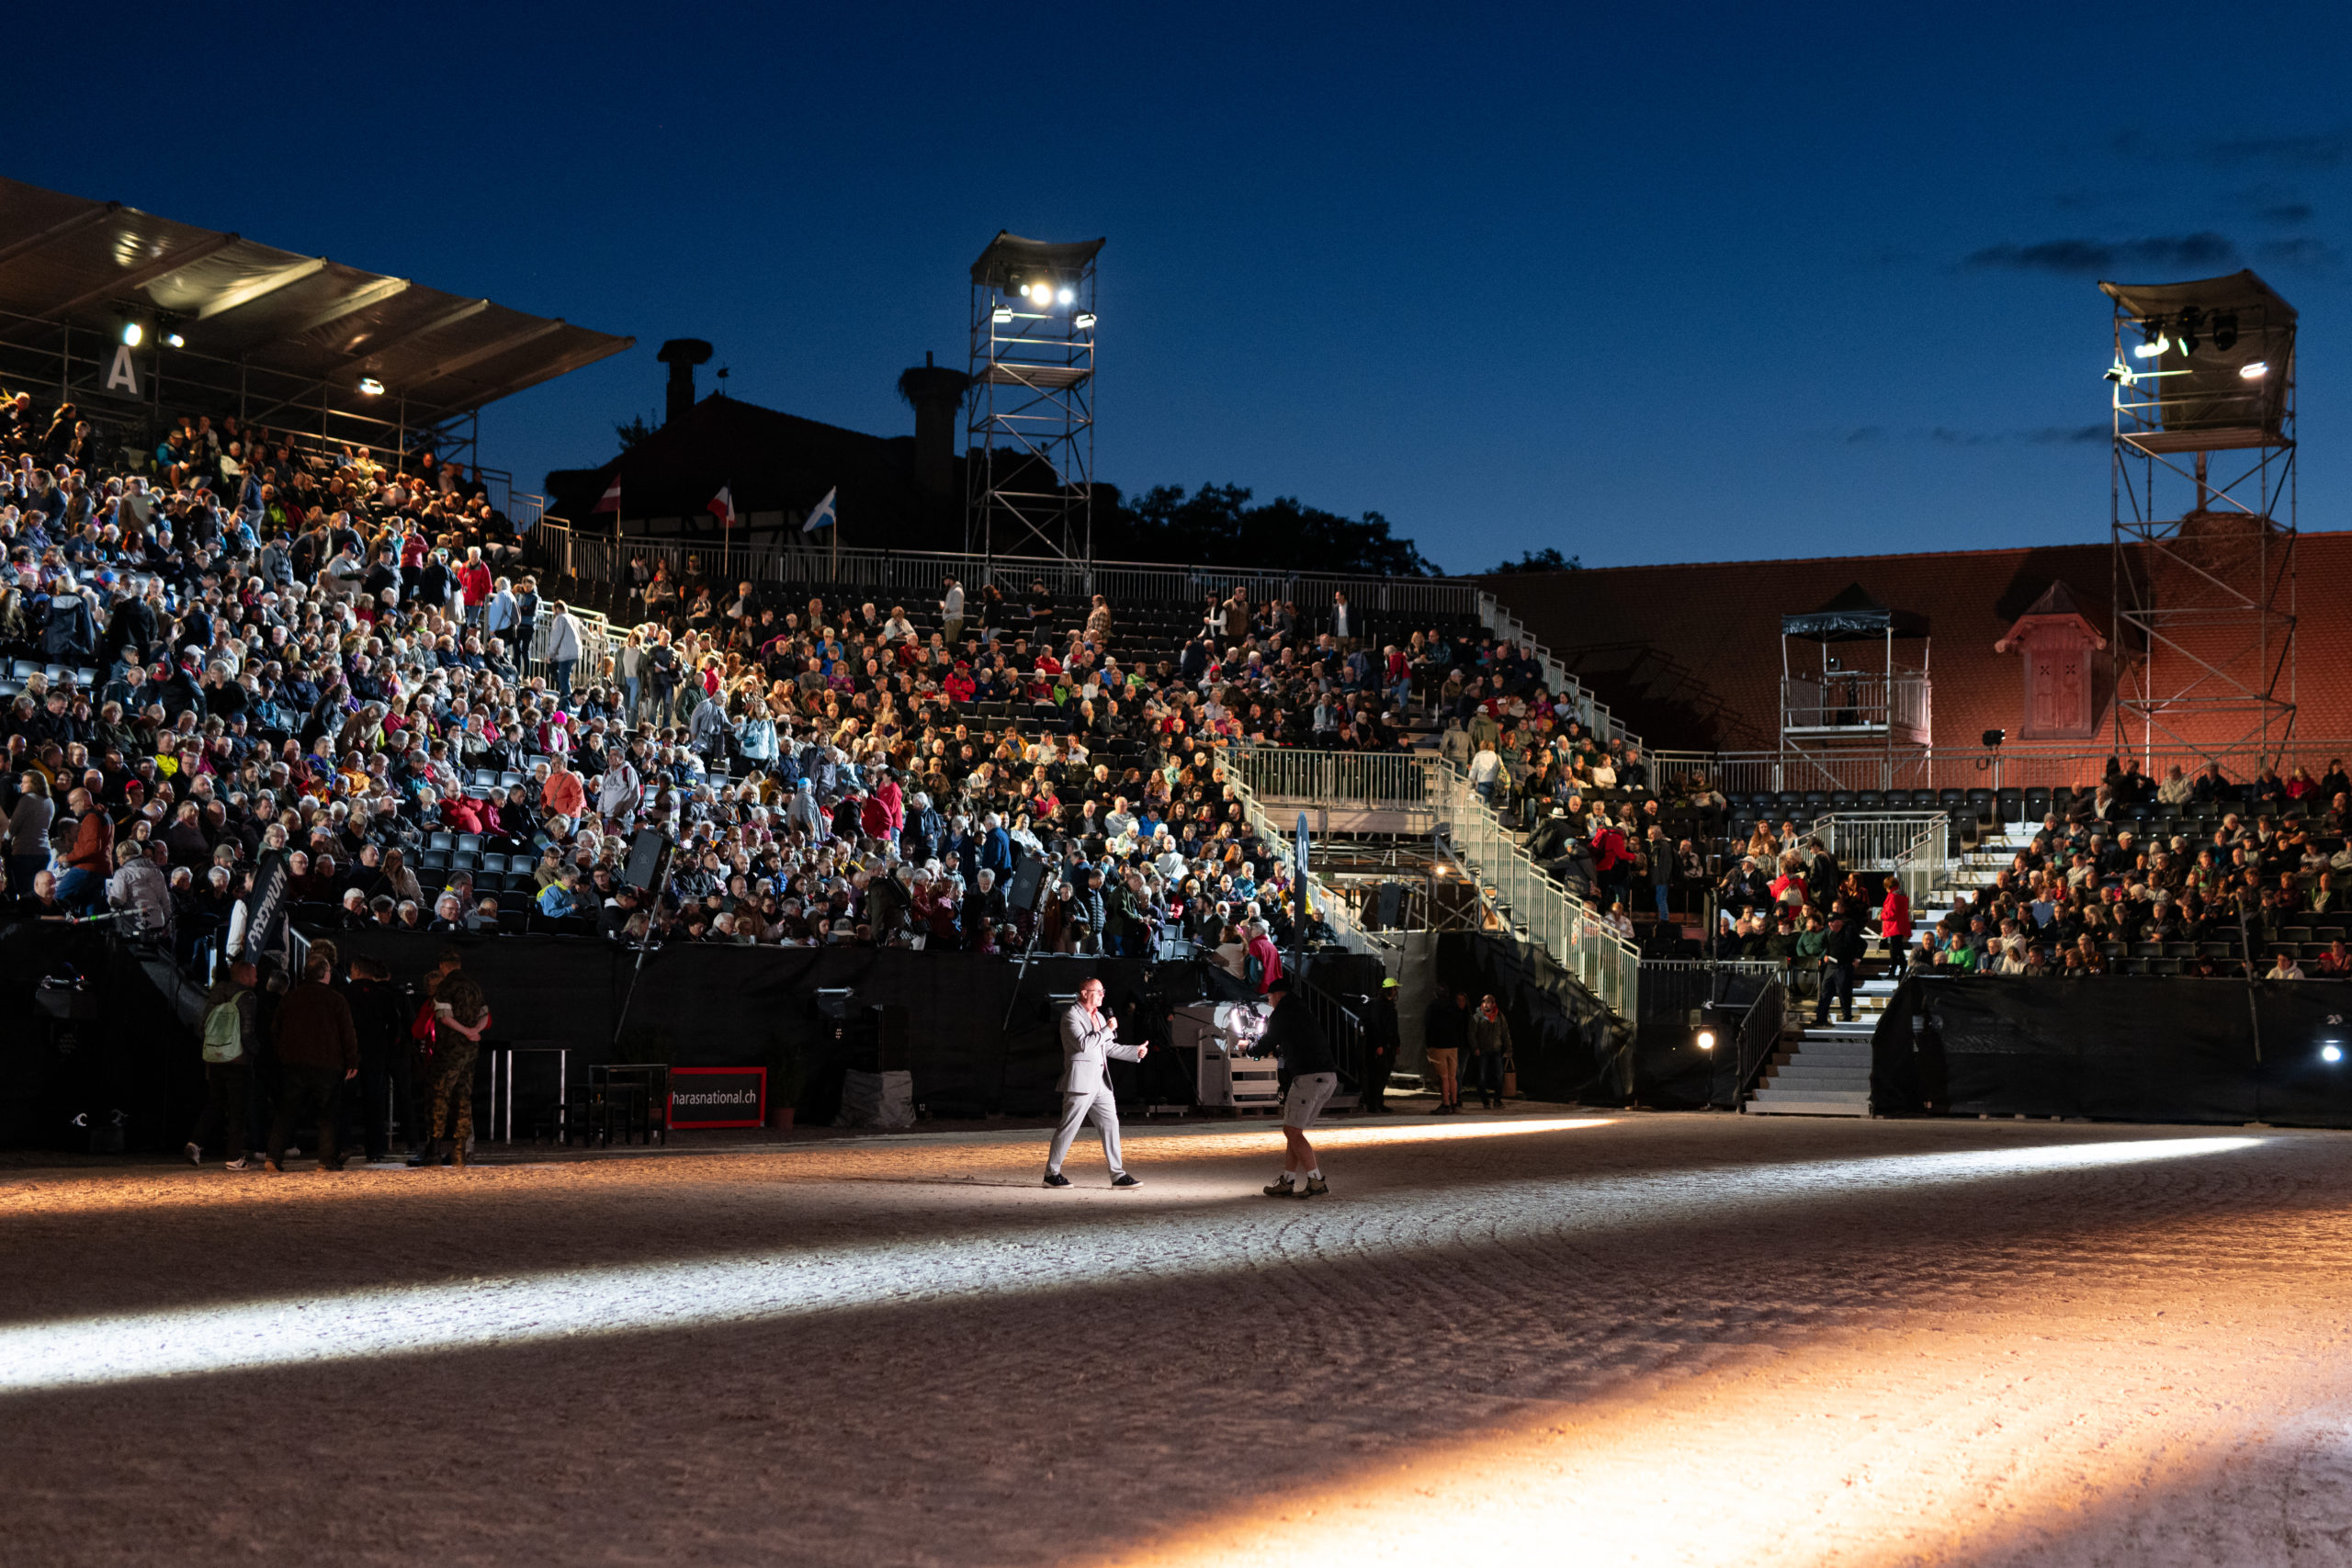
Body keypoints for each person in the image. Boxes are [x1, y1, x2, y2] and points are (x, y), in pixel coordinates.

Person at [1043, 976, 1146, 1188]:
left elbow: (1107, 1047)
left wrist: (1134, 1051)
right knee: (1068, 1127)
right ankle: (1051, 1174)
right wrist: (1107, 1029)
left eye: (1103, 991)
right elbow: (1083, 1045)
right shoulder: (1071, 1016)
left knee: (1111, 1125)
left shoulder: (1099, 1016)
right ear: (1084, 993)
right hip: (1080, 1082)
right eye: (1098, 991)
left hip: (1101, 1082)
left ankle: (1118, 1175)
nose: (1102, 995)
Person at [266, 950, 360, 1173]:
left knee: (287, 1111)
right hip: (328, 1063)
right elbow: (347, 1032)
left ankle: (273, 1156)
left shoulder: (290, 998)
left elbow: (275, 1030)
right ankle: (325, 1160)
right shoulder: (335, 999)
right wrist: (352, 1060)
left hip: (294, 1062)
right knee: (328, 1114)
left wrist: (283, 1054)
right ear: (326, 973)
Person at [1256, 976, 1338, 1198]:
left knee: (1291, 1131)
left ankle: (1316, 1180)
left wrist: (1250, 1048)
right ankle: (1288, 1180)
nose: (1269, 1001)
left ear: (1277, 995)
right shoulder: (1301, 1010)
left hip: (1309, 1077)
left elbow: (1265, 1044)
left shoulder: (1282, 1012)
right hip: (1327, 1076)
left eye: (1269, 997)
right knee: (1294, 1130)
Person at [413, 950, 493, 1168]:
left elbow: (444, 1017)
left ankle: (434, 1149)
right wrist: (474, 1031)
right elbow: (485, 1015)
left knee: (439, 1096)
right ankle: (460, 1150)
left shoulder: (446, 987)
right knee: (463, 1097)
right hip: (470, 1051)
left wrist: (465, 1031)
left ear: (442, 966)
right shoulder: (473, 986)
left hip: (448, 1050)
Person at [187, 961, 260, 1170]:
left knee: (216, 1103)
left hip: (214, 1058)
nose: (256, 980)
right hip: (237, 1060)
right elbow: (246, 1033)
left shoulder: (216, 993)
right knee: (238, 1109)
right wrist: (257, 1051)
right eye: (253, 975)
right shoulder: (247, 997)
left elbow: (203, 1026)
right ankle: (234, 1157)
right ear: (244, 977)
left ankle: (195, 1143)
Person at [1421, 987, 1467, 1113]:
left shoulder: (1433, 1006)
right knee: (1453, 1077)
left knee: (1443, 1077)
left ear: (1436, 994)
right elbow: (1460, 1025)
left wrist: (1429, 1045)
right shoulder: (1454, 1006)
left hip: (1438, 1045)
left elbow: (1428, 1025)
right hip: (1453, 1045)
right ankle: (1454, 1104)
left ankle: (1446, 1104)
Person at [1815, 910, 1863, 1025]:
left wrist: (1857, 959)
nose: (1830, 924)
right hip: (1831, 965)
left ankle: (1847, 1016)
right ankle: (1821, 1018)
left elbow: (1863, 944)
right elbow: (1827, 946)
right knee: (1825, 991)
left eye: (1832, 922)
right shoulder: (1828, 932)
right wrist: (1826, 955)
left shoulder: (1848, 931)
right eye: (1829, 922)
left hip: (1844, 966)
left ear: (1839, 922)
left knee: (1843, 992)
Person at [1466, 993, 1512, 1111]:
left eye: (1489, 1002)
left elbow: (1505, 1033)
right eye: (1484, 1002)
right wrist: (1475, 1048)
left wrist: (1508, 1049)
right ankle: (1485, 1101)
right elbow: (1471, 1034)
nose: (1486, 1004)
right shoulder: (1477, 1016)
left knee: (1499, 1077)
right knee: (1482, 1077)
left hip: (1496, 1050)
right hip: (1483, 1051)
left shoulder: (1499, 1016)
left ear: (1493, 1003)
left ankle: (1497, 1101)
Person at [1363, 976, 1401, 1112]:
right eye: (1394, 989)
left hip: (1389, 1045)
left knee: (1384, 1075)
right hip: (1382, 1044)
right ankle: (1374, 1104)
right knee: (1378, 1075)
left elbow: (1394, 1027)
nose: (1396, 991)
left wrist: (1397, 1044)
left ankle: (1379, 1102)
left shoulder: (1389, 1006)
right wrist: (1378, 1045)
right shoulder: (1379, 1005)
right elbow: (1376, 1025)